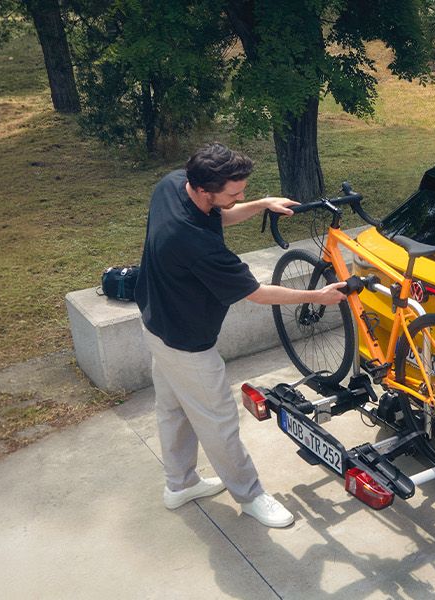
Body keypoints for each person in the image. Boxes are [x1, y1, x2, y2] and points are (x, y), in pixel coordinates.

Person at [136, 143, 345, 528]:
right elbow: (257, 293)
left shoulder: (172, 185)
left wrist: (263, 203)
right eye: (233, 193)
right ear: (203, 189)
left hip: (155, 323)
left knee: (173, 409)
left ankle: (180, 484)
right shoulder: (192, 242)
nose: (239, 198)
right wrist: (318, 295)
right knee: (219, 423)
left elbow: (221, 216)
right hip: (187, 344)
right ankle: (250, 496)